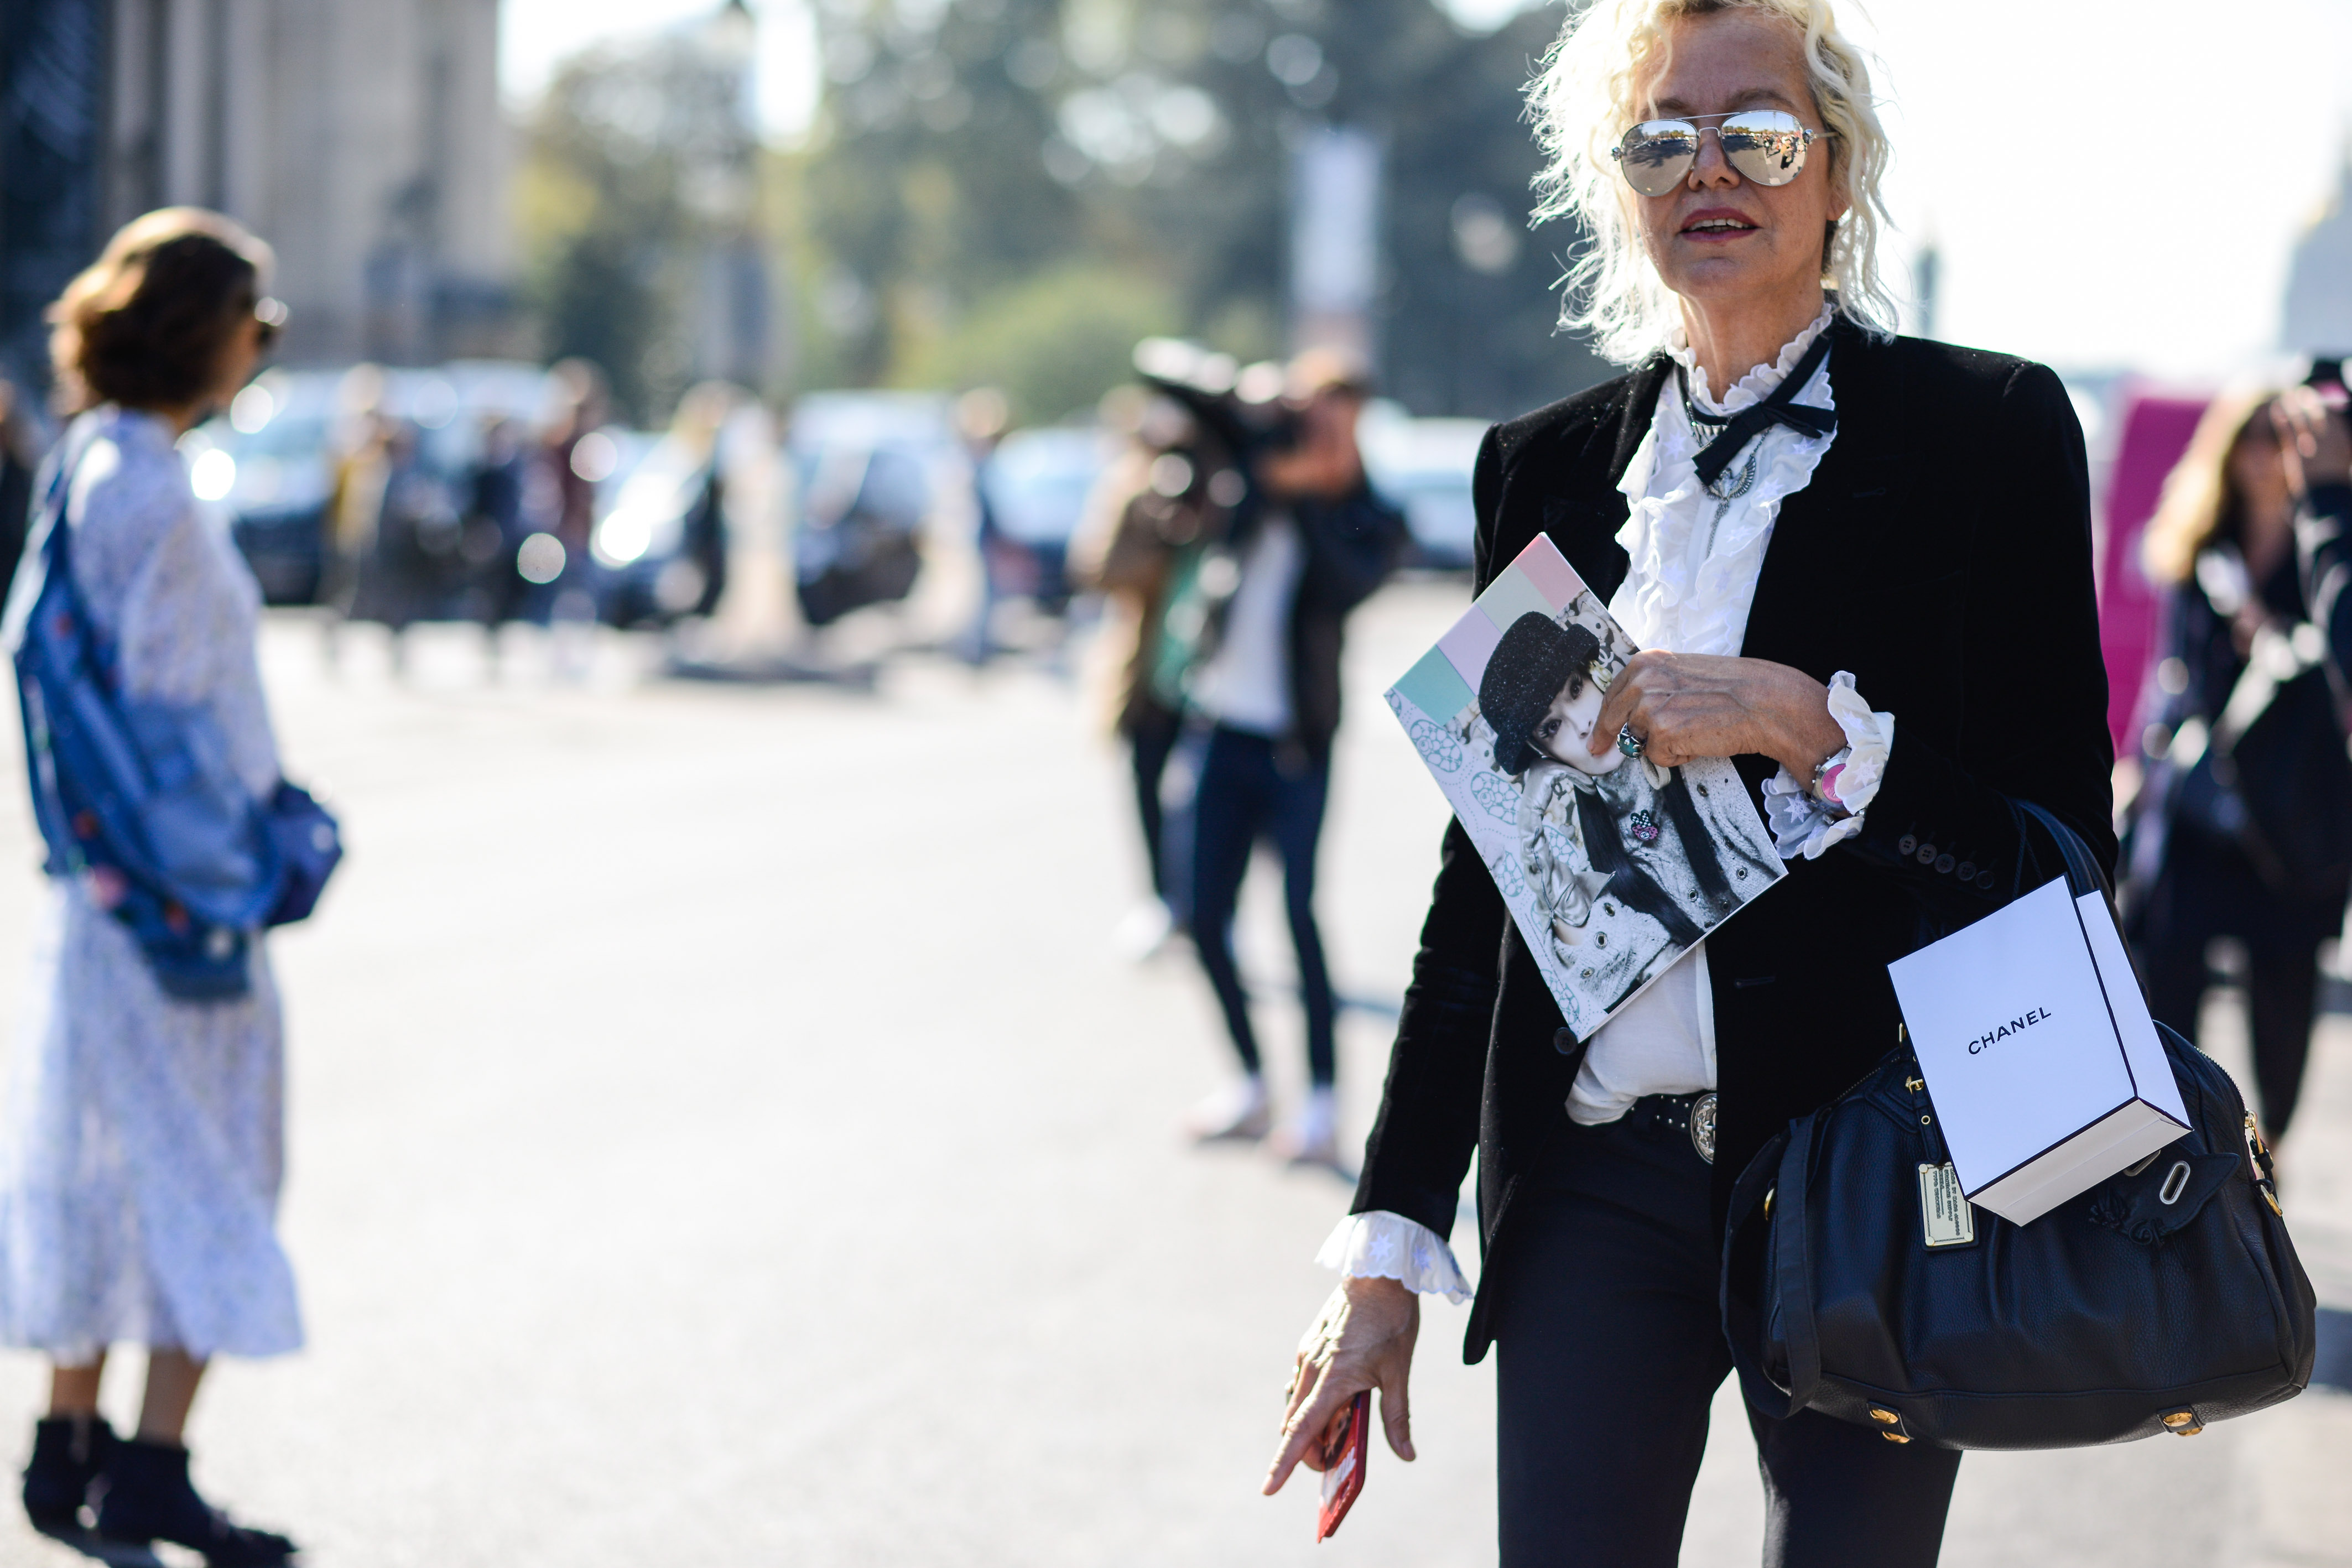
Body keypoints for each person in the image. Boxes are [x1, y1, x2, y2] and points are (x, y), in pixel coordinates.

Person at [1261, 3, 2111, 1563]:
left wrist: (1817, 730)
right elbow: (1489, 884)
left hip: (1872, 1167)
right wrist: (1387, 1244)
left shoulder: (1985, 431)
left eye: (1759, 132)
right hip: (1598, 1178)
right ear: (1619, 181)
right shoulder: (1544, 463)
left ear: (1836, 170)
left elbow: (2061, 862)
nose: (1706, 167)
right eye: (1660, 136)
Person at [0, 207, 300, 1564]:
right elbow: (182, 715)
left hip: (101, 894)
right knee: (217, 1157)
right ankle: (157, 1461)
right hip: (185, 893)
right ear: (201, 330)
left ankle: (68, 1440)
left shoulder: (85, 460)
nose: (264, 344)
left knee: (103, 1152)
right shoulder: (164, 493)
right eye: (254, 317)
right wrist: (267, 844)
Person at [1179, 353, 1409, 1165]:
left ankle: (1318, 1099)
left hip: (1295, 747)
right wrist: (1258, 408)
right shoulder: (1251, 480)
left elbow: (1345, 584)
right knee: (1201, 916)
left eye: (1332, 423)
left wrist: (1312, 488)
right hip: (1220, 729)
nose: (1313, 436)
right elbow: (1177, 394)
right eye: (1307, 415)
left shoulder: (1373, 515)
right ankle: (1248, 1080)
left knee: (1300, 919)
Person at [2125, 385, 2352, 1144]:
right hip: (2195, 815)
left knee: (2283, 1014)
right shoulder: (2199, 549)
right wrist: (2134, 771)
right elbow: (2169, 679)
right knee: (2165, 994)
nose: (2268, 457)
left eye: (2282, 439)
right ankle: (2173, 1159)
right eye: (2252, 438)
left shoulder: (2329, 544)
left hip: (2290, 818)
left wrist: (2281, 639)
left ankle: (2265, 1164)